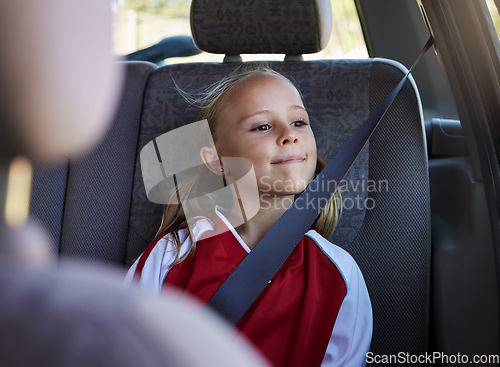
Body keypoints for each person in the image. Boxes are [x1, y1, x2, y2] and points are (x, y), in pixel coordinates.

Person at [125, 66, 373, 367]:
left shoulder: (337, 274)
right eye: (263, 127)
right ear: (216, 160)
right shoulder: (170, 257)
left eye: (298, 122)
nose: (289, 135)